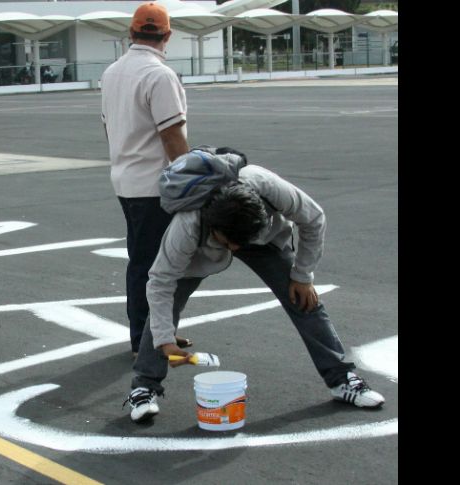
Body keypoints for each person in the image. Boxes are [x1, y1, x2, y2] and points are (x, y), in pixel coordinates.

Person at [123, 158, 386, 422]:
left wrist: (303, 275)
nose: (236, 250)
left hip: (263, 238)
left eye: (240, 244)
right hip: (204, 245)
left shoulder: (271, 190)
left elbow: (315, 219)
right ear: (215, 228)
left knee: (303, 299)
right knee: (166, 307)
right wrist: (165, 339)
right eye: (230, 244)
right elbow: (160, 282)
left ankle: (342, 378)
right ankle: (144, 387)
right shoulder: (189, 224)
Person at [100, 2, 192, 358]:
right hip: (156, 186)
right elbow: (172, 136)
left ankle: (153, 334)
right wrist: (191, 184)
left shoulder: (112, 72)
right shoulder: (160, 75)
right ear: (167, 35)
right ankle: (147, 340)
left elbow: (108, 126)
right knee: (157, 267)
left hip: (126, 180)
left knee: (143, 262)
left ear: (131, 33)